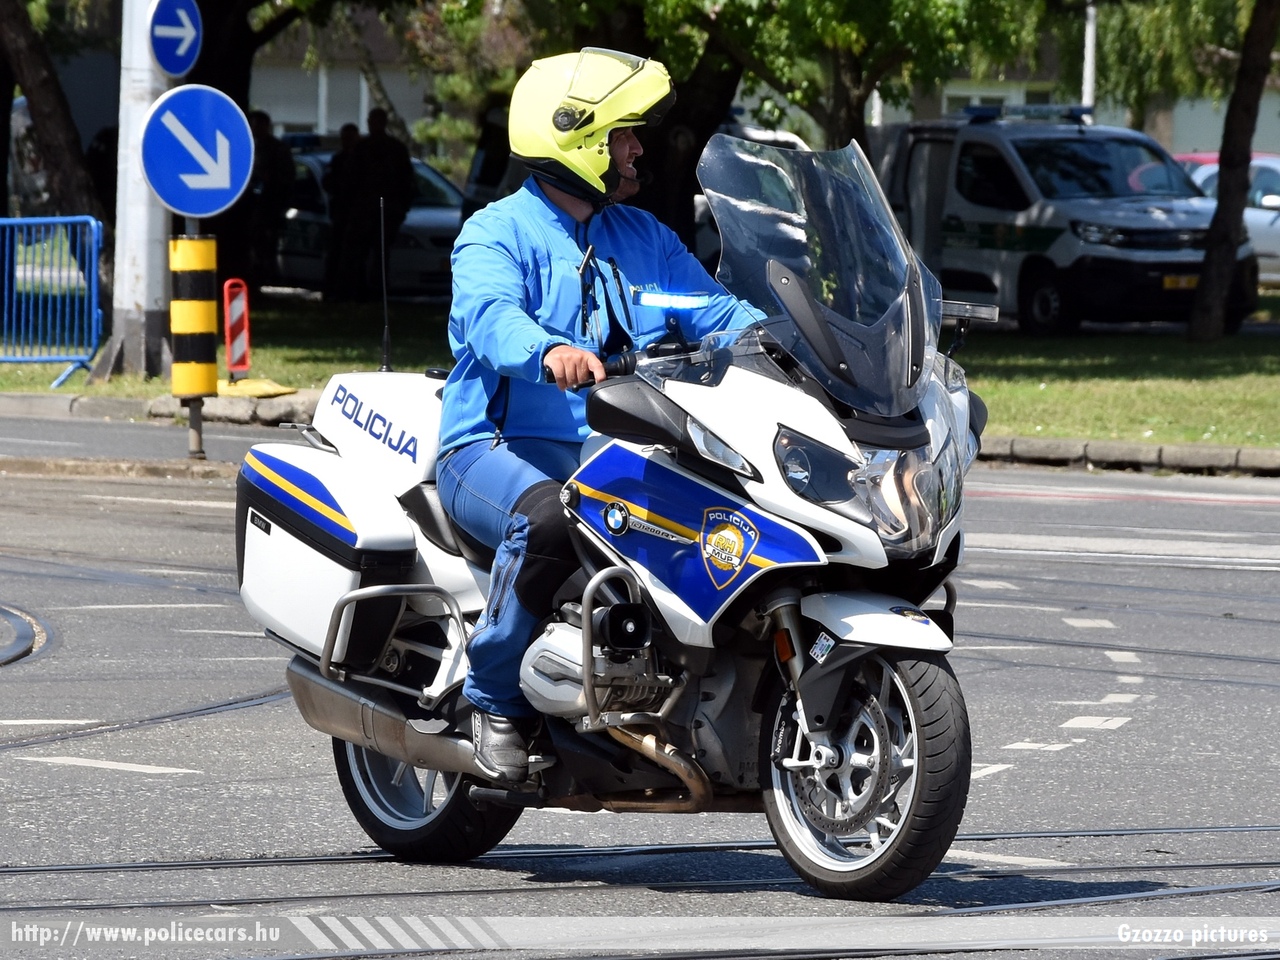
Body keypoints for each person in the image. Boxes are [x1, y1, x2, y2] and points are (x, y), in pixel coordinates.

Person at [437, 48, 758, 782]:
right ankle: (492, 699)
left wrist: (799, 340)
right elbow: (490, 316)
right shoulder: (496, 232)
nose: (638, 148)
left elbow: (715, 312)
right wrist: (548, 349)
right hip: (494, 448)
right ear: (577, 138)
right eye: (623, 135)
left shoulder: (642, 239)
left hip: (614, 450)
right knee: (548, 518)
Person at [337, 107, 415, 300]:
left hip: (382, 210)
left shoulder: (391, 149)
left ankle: (373, 291)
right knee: (361, 254)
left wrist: (400, 208)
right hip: (366, 210)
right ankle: (361, 290)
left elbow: (406, 181)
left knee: (377, 254)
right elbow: (349, 180)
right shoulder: (366, 148)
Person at [322, 122, 361, 300]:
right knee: (336, 254)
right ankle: (333, 291)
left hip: (359, 216)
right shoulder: (338, 160)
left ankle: (354, 292)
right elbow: (327, 183)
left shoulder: (364, 161)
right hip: (340, 215)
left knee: (355, 257)